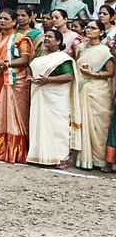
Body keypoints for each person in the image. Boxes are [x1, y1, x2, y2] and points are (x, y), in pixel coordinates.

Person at [0, 8, 35, 164]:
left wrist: (7, 64)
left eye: (6, 18)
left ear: (14, 22)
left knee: (16, 115)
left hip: (16, 81)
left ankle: (17, 152)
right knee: (1, 114)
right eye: (1, 19)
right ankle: (2, 150)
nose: (2, 21)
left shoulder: (21, 39)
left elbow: (25, 60)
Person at [27, 29, 79, 169]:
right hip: (39, 94)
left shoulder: (62, 58)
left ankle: (61, 158)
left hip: (56, 98)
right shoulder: (38, 59)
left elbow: (68, 77)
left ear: (59, 41)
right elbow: (31, 71)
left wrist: (48, 80)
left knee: (58, 127)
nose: (46, 39)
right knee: (39, 123)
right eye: (45, 36)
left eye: (50, 37)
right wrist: (31, 78)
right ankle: (39, 155)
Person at [73, 21, 112, 170]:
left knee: (99, 125)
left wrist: (92, 74)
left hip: (98, 90)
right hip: (82, 88)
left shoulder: (104, 51)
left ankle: (100, 159)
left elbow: (110, 72)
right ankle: (84, 158)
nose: (89, 30)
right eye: (88, 28)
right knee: (83, 122)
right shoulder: (80, 48)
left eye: (93, 28)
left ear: (101, 32)